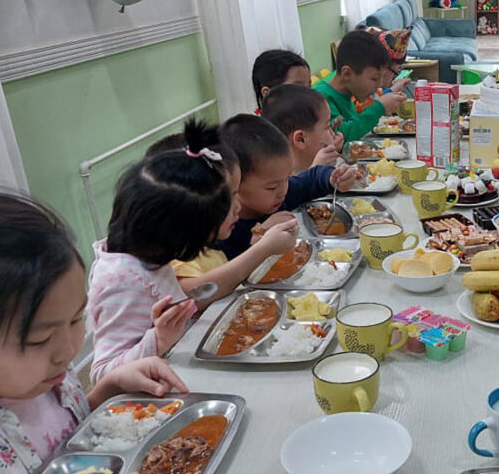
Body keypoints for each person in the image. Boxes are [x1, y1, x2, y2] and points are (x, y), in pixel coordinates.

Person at [0, 193, 187, 474]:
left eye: (77, 319)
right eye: (39, 339)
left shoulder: (46, 378)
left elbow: (64, 442)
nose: (68, 351)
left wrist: (105, 392)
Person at [88, 127, 233, 383]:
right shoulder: (121, 281)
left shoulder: (151, 254)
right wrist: (158, 339)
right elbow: (103, 375)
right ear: (178, 236)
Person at [148, 121, 300, 305]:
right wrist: (262, 249)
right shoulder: (179, 257)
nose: (237, 206)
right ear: (191, 205)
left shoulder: (210, 250)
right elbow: (191, 298)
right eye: (229, 197)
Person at [212, 114, 357, 260]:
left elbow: (310, 179)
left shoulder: (281, 193)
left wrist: (333, 178)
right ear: (237, 184)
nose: (283, 191)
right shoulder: (224, 228)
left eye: (287, 178)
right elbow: (231, 274)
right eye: (272, 187)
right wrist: (260, 239)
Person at [313, 31, 406, 142]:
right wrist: (379, 107)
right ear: (347, 74)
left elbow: (356, 120)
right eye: (374, 78)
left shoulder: (348, 93)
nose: (379, 85)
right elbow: (340, 136)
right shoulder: (320, 99)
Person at [262, 84, 345, 171]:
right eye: (327, 127)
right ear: (301, 139)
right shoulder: (280, 181)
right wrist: (315, 172)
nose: (332, 133)